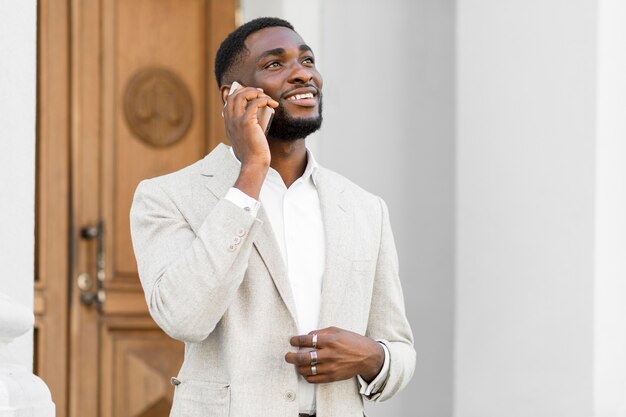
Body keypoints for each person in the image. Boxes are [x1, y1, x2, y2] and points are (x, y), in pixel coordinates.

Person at [130, 17, 415, 417]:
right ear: (234, 96)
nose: (302, 74)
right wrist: (252, 170)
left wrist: (372, 358)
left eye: (308, 60)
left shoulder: (365, 209)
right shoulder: (167, 197)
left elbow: (399, 350)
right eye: (274, 64)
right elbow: (184, 317)